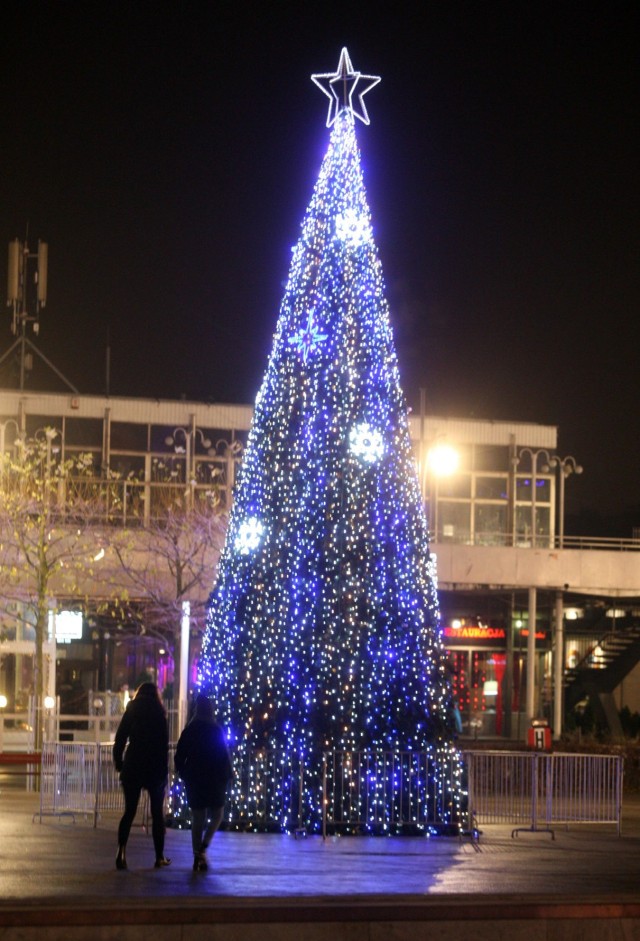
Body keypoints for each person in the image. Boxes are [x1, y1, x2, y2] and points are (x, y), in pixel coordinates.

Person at [113, 682, 171, 870]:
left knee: (129, 812)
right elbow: (164, 747)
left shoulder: (132, 710)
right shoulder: (160, 714)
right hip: (154, 768)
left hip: (133, 765)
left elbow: (120, 738)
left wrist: (119, 763)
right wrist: (164, 772)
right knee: (156, 814)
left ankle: (121, 851)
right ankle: (159, 856)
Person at [174, 693, 233, 872]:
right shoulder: (215, 729)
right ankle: (203, 848)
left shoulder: (190, 729)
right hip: (214, 778)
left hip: (194, 778)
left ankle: (196, 855)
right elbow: (224, 755)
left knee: (197, 818)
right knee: (217, 814)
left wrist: (183, 772)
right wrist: (228, 774)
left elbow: (180, 754)